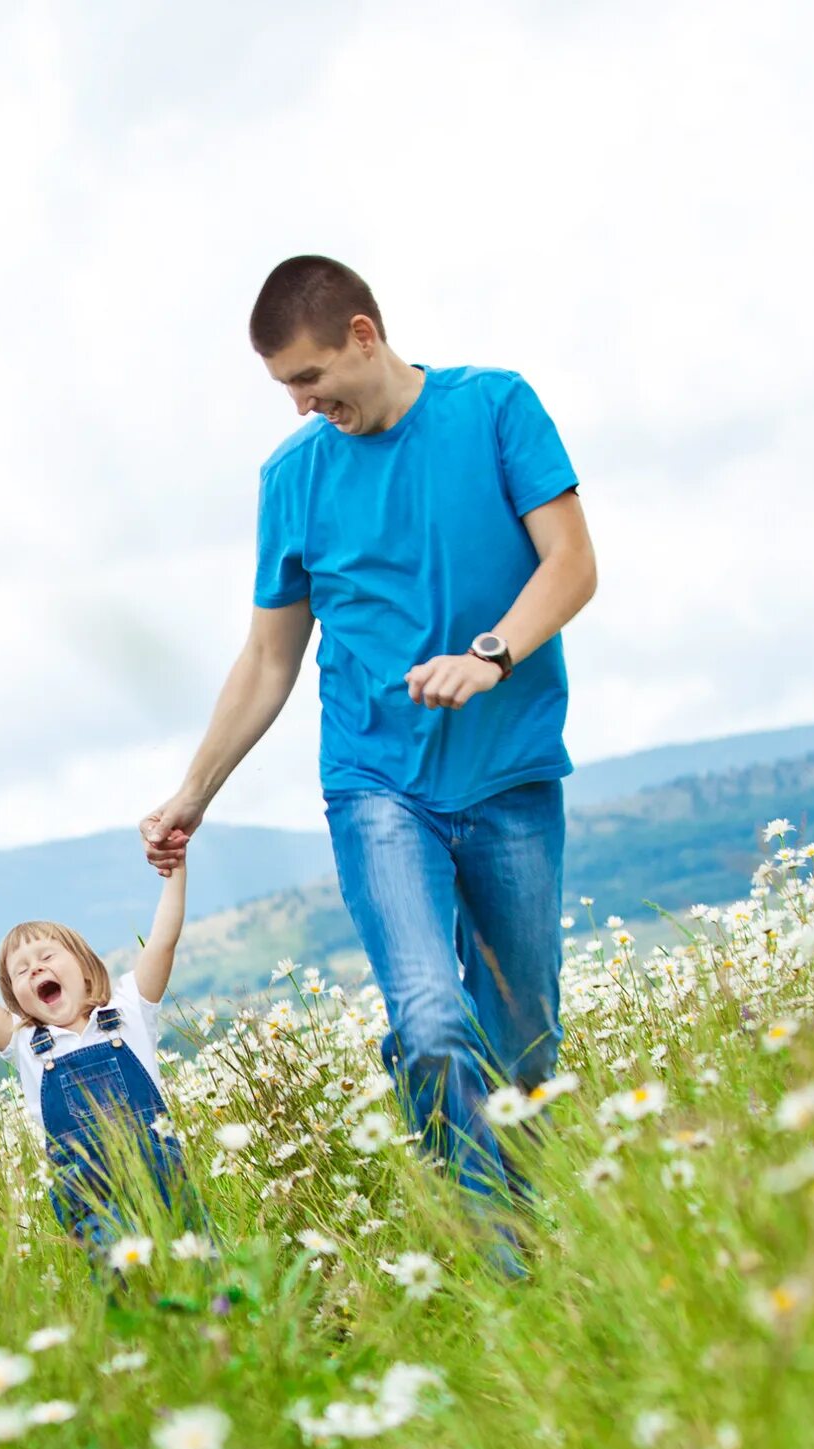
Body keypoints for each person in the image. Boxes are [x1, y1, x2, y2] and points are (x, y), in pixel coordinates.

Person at [143, 256, 597, 1250]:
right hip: (378, 782)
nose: (303, 406)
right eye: (284, 390)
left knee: (524, 1046)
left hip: (512, 772)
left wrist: (490, 654)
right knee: (432, 1021)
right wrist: (194, 791)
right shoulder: (294, 478)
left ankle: (519, 1216)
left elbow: (572, 564)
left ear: (362, 333)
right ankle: (498, 1256)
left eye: (309, 379)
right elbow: (269, 657)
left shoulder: (496, 409)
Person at [0, 861, 190, 1246]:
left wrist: (176, 868)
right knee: (125, 1284)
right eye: (20, 971)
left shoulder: (128, 1012)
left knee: (195, 1266)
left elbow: (163, 940)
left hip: (163, 1178)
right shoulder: (23, 1043)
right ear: (14, 996)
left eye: (47, 957)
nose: (35, 969)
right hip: (90, 1197)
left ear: (85, 967)